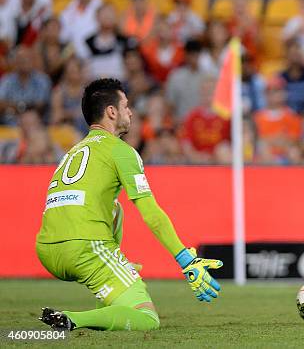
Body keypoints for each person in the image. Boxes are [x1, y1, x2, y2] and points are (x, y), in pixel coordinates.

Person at [36, 78, 223, 331]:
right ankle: (73, 319)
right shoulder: (121, 150)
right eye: (126, 106)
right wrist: (186, 260)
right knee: (146, 318)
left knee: (115, 208)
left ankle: (112, 277)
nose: (130, 112)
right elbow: (151, 214)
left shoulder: (72, 152)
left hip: (46, 250)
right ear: (111, 112)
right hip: (86, 249)